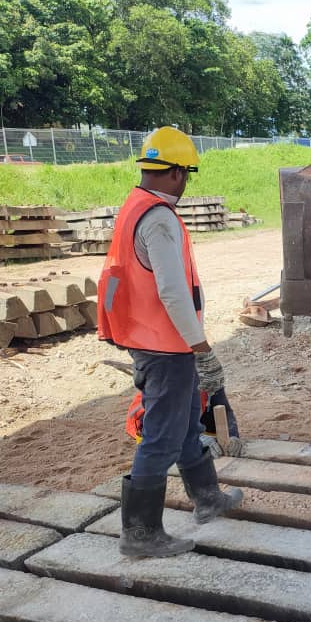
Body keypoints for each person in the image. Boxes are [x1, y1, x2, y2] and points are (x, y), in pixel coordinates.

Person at [97, 126, 243, 558]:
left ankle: (207, 497)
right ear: (177, 172)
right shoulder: (159, 219)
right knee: (161, 435)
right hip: (167, 346)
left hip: (148, 339)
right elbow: (173, 292)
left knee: (181, 425)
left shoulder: (134, 206)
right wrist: (202, 349)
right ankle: (140, 534)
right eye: (186, 175)